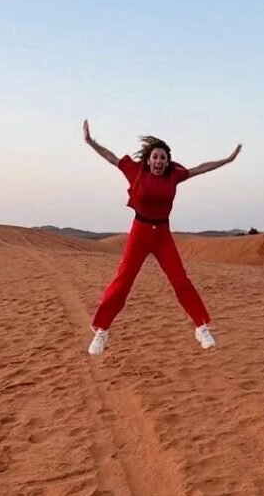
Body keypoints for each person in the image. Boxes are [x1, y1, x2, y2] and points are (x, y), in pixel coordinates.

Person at [82, 120, 241, 356]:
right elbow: (111, 157)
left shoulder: (174, 175)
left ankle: (201, 327)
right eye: (155, 157)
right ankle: (102, 331)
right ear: (148, 159)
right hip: (140, 231)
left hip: (163, 234)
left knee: (180, 280)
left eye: (163, 158)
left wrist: (226, 161)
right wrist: (90, 141)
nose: (159, 162)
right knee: (123, 282)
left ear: (167, 161)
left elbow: (201, 168)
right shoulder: (135, 171)